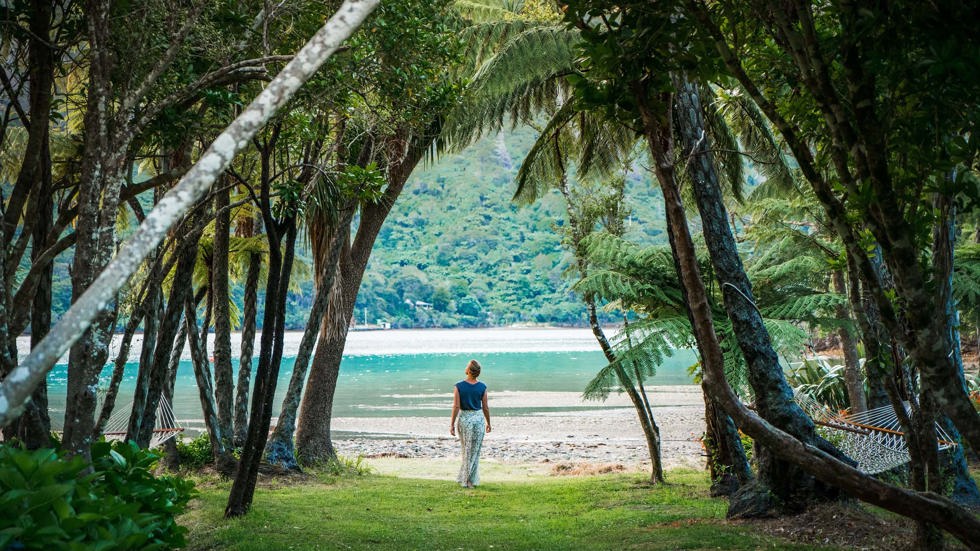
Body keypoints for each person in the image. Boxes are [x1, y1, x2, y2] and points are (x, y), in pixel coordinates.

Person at [450, 359, 491, 488]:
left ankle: (467, 478)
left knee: (466, 449)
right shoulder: (482, 387)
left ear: (468, 370)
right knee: (475, 450)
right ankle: (468, 479)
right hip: (478, 419)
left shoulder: (459, 386)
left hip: (465, 419)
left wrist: (451, 424)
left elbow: (456, 406)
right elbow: (485, 407)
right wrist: (488, 422)